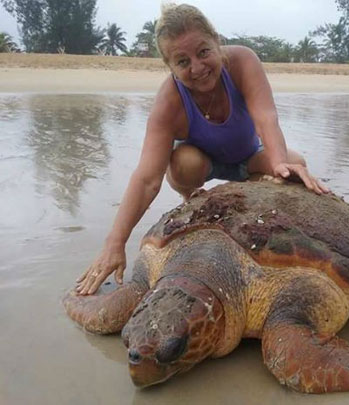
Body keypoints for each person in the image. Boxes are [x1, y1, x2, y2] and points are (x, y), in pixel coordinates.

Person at [76, 3, 328, 295]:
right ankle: (192, 199)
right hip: (199, 164)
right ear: (170, 67)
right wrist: (115, 243)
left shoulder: (243, 61)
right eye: (182, 62)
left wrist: (281, 165)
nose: (197, 67)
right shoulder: (168, 102)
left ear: (217, 42)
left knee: (295, 162)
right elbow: (147, 179)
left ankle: (258, 196)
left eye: (204, 52)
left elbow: (266, 117)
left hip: (248, 158)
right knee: (184, 161)